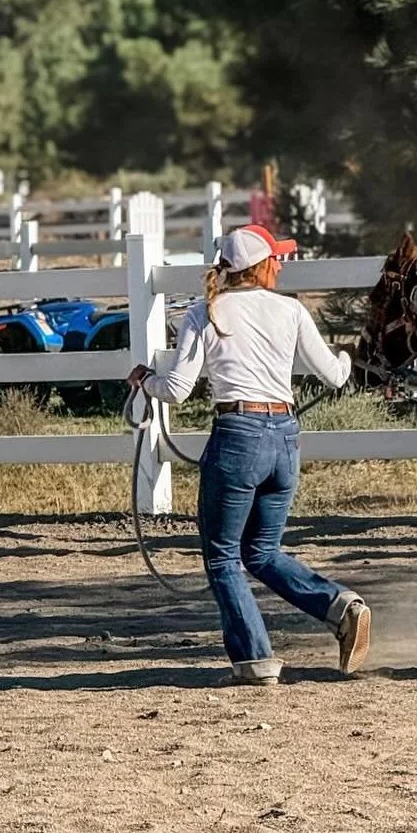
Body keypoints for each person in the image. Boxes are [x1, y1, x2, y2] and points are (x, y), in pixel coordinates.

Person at [126, 222, 371, 685]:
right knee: (261, 551)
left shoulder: (206, 313)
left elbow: (176, 390)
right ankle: (338, 604)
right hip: (285, 437)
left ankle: (256, 659)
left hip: (237, 435)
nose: (280, 264)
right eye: (276, 258)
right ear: (258, 266)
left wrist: (144, 381)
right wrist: (345, 357)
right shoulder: (291, 311)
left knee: (222, 556)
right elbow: (336, 377)